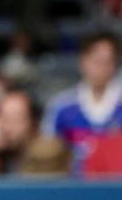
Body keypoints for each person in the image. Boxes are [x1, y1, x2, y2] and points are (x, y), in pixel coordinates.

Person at [43, 31, 122, 172]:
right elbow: (49, 155)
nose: (101, 68)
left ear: (115, 65)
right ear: (83, 62)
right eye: (96, 61)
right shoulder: (62, 108)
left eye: (107, 62)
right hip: (72, 187)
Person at [0, 89, 72, 176]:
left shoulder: (50, 152)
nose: (8, 127)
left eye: (16, 119)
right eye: (4, 118)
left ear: (33, 122)